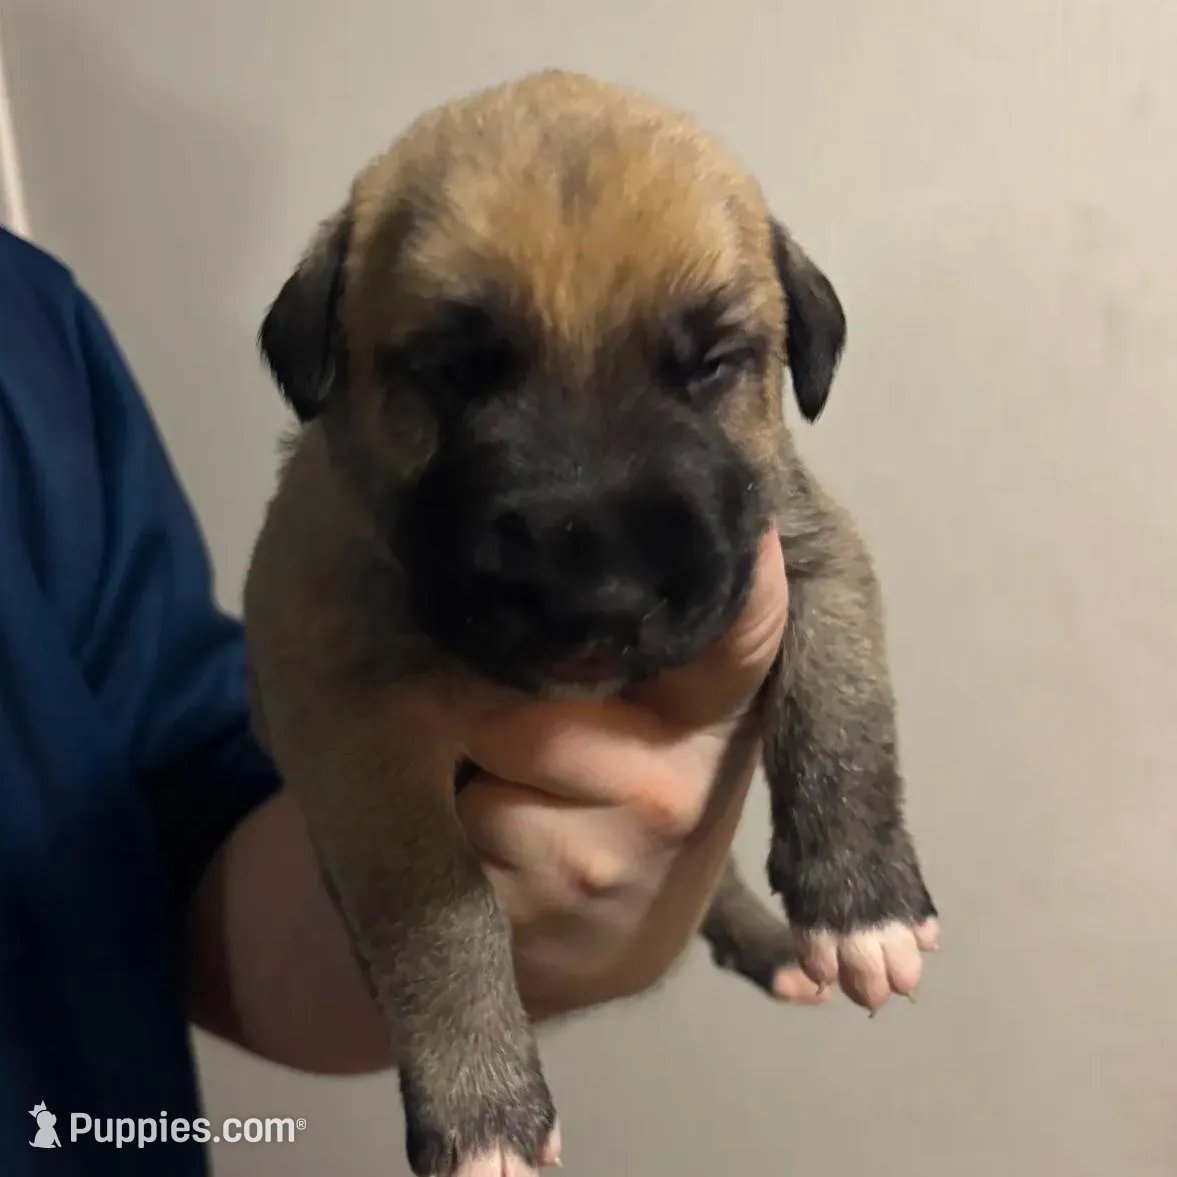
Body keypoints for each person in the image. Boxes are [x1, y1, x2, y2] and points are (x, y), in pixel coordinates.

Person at [0, 223, 818, 1175]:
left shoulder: (29, 328)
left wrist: (537, 921)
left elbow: (177, 821)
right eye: (456, 376)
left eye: (705, 369)